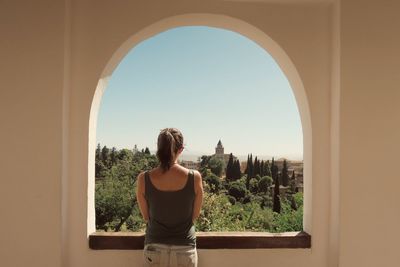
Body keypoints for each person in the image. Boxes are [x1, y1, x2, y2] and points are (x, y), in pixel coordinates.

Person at [136, 128, 204, 267]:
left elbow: (146, 216)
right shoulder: (194, 177)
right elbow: (195, 215)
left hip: (154, 248)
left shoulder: (144, 178)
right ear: (181, 149)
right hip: (185, 248)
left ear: (159, 148)